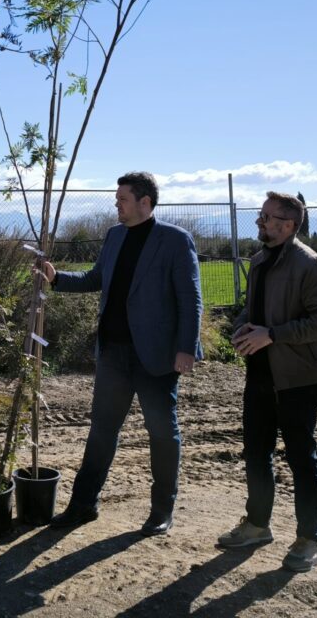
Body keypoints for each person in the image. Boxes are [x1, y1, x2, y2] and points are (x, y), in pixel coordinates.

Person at [39, 171, 202, 536]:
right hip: (113, 353)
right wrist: (57, 277)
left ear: (145, 202)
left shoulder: (175, 241)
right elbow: (97, 278)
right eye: (117, 200)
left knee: (162, 432)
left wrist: (185, 349)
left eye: (123, 200)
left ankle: (162, 510)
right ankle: (83, 505)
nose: (117, 205)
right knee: (101, 431)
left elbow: (190, 298)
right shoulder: (114, 236)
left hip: (156, 356)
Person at [216, 191, 317, 573]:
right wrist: (242, 328)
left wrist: (273, 334)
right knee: (256, 453)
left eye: (267, 217)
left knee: (302, 459)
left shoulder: (312, 266)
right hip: (260, 374)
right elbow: (253, 311)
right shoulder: (260, 262)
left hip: (298, 380)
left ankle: (309, 538)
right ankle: (257, 525)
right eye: (261, 214)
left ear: (287, 226)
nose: (260, 221)